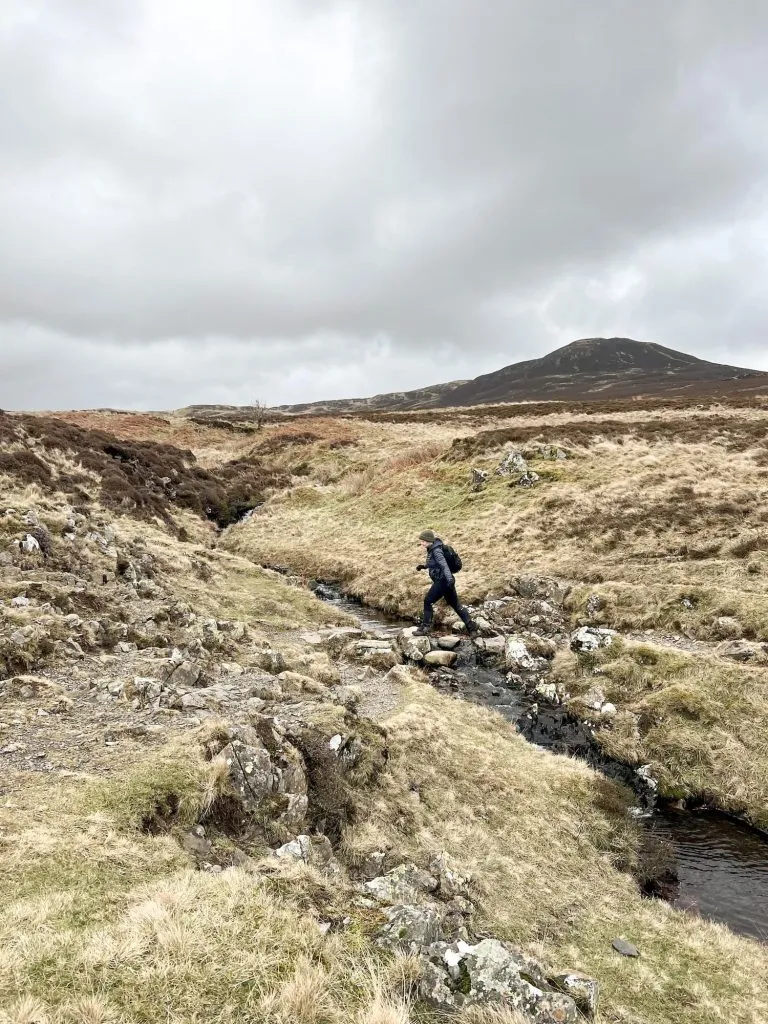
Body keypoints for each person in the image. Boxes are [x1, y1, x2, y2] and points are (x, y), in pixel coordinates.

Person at [414, 530, 477, 636]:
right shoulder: (433, 548)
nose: (422, 543)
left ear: (429, 541)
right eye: (421, 541)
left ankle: (425, 628)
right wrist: (424, 566)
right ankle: (473, 629)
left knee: (428, 601)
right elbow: (435, 563)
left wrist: (449, 579)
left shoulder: (436, 551)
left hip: (442, 581)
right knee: (456, 605)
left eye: (424, 541)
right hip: (447, 581)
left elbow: (443, 565)